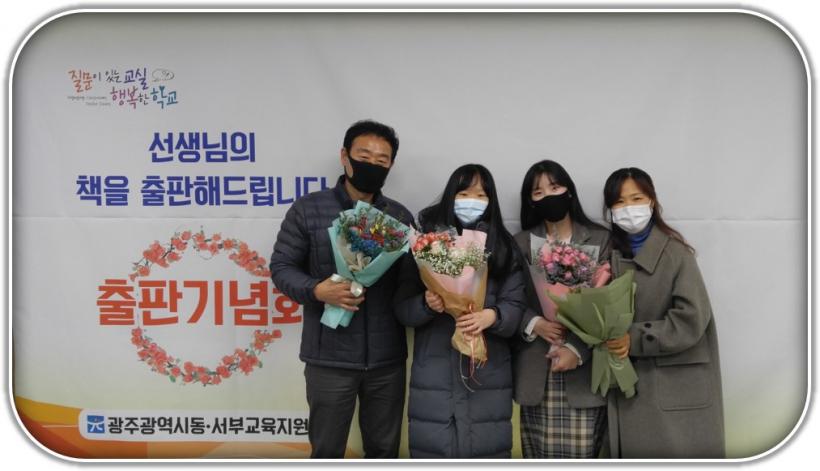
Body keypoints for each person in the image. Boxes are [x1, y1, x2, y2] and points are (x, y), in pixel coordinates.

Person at [269, 120, 414, 458]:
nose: (372, 165)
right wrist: (317, 290)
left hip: (386, 361)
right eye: (364, 156)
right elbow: (281, 267)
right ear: (344, 156)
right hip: (328, 358)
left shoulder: (399, 217)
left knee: (384, 451)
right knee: (326, 450)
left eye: (381, 160)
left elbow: (408, 284)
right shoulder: (309, 209)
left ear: (391, 165)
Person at [394, 164, 525, 458]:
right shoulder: (426, 244)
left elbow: (516, 305)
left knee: (487, 450)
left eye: (481, 195)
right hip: (434, 373)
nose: (471, 201)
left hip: (488, 372)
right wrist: (425, 304)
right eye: (464, 193)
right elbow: (402, 308)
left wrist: (493, 316)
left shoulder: (504, 247)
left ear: (491, 201)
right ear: (450, 196)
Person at [602, 167, 724, 458]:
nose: (628, 209)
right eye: (619, 202)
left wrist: (634, 338)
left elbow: (692, 319)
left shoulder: (676, 254)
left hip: (674, 389)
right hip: (625, 385)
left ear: (652, 201)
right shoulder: (607, 256)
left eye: (636, 199)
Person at [512, 160, 611, 458]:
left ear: (569, 191)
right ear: (530, 200)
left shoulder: (601, 238)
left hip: (583, 369)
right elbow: (508, 297)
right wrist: (535, 324)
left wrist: (576, 348)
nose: (548, 196)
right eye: (538, 192)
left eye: (554, 187)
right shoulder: (520, 243)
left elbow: (609, 303)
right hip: (537, 368)